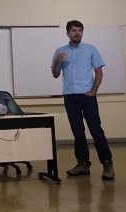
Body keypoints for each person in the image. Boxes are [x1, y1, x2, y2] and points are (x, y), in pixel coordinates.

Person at [51, 20, 115, 180]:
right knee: (78, 132)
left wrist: (94, 91)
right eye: (74, 30)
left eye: (80, 30)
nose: (77, 33)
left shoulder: (91, 49)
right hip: (70, 97)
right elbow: (55, 74)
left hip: (87, 96)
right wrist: (57, 61)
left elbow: (99, 73)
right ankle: (83, 164)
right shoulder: (60, 51)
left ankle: (107, 164)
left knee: (96, 130)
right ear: (68, 33)